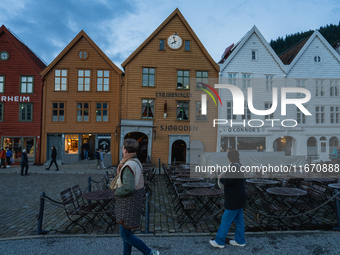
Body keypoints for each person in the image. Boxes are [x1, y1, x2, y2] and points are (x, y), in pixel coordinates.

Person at [115, 139, 159, 255]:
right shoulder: (136, 161)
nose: (122, 150)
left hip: (127, 204)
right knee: (127, 234)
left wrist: (116, 191)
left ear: (125, 150)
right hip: (134, 202)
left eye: (122, 148)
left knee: (125, 234)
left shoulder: (129, 165)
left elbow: (128, 188)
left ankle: (149, 252)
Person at [210, 149, 246, 249]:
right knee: (239, 221)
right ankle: (240, 241)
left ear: (229, 158)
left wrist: (221, 178)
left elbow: (230, 181)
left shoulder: (234, 166)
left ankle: (219, 241)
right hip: (240, 198)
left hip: (234, 199)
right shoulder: (239, 165)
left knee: (226, 220)